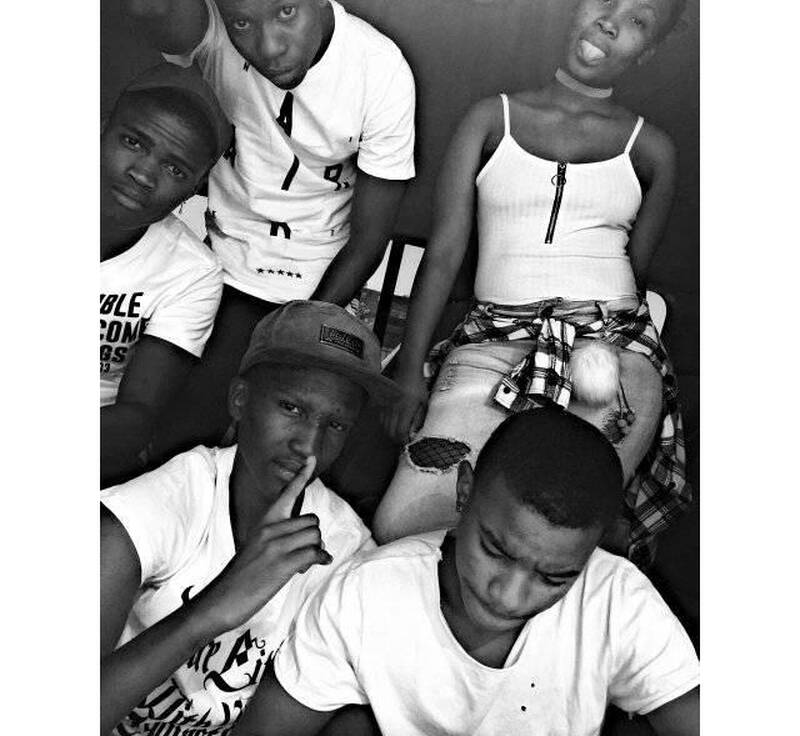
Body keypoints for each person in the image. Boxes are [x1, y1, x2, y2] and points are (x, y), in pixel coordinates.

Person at [374, 0, 692, 566]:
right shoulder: (489, 119)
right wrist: (410, 370)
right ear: (579, 0)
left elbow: (636, 272)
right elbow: (444, 254)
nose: (610, 23)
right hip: (491, 341)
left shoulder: (652, 149)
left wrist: (606, 353)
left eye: (637, 21)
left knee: (558, 528)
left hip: (610, 351)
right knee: (402, 527)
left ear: (648, 49)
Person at [107, 0, 416, 455]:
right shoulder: (212, 25)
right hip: (219, 270)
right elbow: (145, 0)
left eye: (286, 12)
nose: (269, 46)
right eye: (243, 23)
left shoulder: (380, 69)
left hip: (320, 285)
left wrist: (297, 330)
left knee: (310, 446)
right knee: (174, 442)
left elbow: (368, 241)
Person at [234, 407, 700, 736]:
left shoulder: (617, 599)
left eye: (554, 578)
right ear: (464, 491)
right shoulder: (365, 595)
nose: (509, 596)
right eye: (495, 550)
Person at [101, 301, 399, 736]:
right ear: (240, 400)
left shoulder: (347, 550)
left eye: (335, 425)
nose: (308, 445)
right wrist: (215, 608)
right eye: (292, 408)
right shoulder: (157, 507)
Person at [101, 62, 230, 485]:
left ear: (195, 187)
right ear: (101, 128)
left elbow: (137, 418)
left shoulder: (192, 272)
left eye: (175, 170)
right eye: (133, 142)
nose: (143, 174)